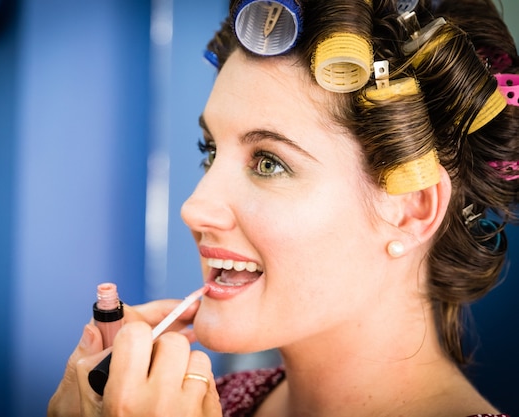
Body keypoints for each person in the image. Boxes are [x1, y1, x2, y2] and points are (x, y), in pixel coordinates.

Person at [48, 0, 519, 415]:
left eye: (269, 162)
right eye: (209, 151)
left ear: (413, 206)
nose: (194, 208)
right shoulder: (206, 404)